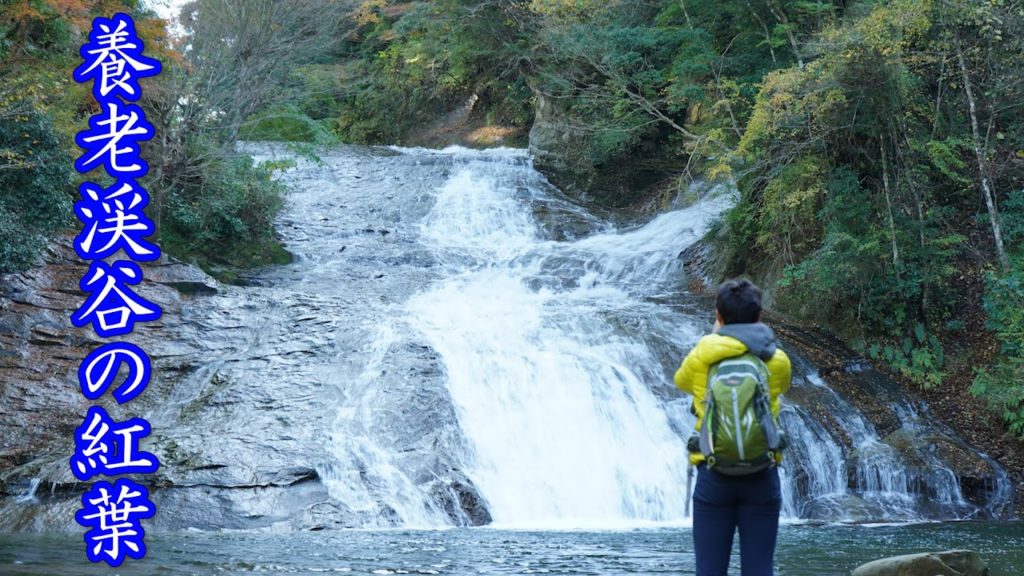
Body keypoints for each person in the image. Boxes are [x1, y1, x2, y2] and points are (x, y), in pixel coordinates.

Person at [674, 279, 791, 576]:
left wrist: (716, 337)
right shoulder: (776, 360)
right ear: (759, 315)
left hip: (714, 474)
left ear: (719, 315)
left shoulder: (702, 356)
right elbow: (781, 386)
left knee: (710, 571)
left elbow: (681, 381)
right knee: (759, 569)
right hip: (761, 474)